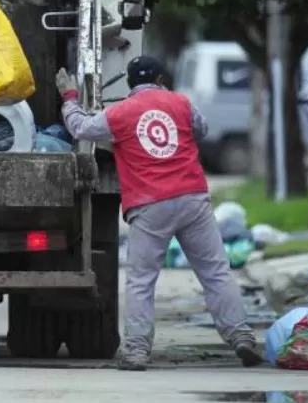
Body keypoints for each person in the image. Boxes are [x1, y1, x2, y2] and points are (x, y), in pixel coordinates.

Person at [55, 56, 263, 371]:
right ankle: (241, 337)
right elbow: (201, 129)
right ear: (162, 79)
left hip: (150, 204)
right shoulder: (180, 102)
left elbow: (81, 128)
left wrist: (70, 97)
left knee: (141, 281)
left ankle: (137, 352)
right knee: (216, 273)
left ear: (131, 84)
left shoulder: (120, 113)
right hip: (193, 199)